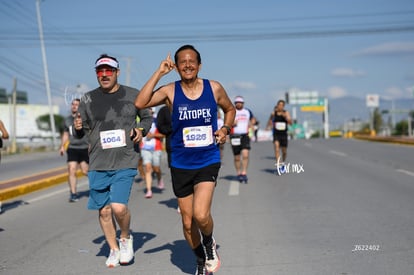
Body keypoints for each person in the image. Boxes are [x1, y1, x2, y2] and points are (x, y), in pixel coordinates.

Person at [135, 44, 236, 275]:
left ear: (199, 65)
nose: (188, 65)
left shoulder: (214, 88)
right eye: (183, 62)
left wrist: (225, 129)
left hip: (207, 158)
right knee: (188, 222)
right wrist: (160, 72)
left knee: (201, 214)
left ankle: (209, 243)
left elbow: (229, 109)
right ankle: (200, 259)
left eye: (192, 61)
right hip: (180, 162)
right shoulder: (170, 91)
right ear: (177, 67)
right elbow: (140, 103)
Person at [73, 54, 152, 268]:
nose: (104, 75)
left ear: (117, 72)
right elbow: (80, 131)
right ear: (96, 74)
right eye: (100, 71)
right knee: (104, 210)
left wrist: (141, 130)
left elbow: (147, 116)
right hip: (98, 162)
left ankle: (125, 238)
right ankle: (113, 249)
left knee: (118, 207)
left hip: (125, 159)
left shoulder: (133, 95)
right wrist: (77, 128)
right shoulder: (87, 99)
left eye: (109, 70)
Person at [59, 98, 89, 202]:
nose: (74, 106)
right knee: (71, 169)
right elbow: (66, 134)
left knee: (85, 171)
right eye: (73, 104)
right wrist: (62, 146)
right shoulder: (67, 120)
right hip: (72, 148)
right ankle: (73, 193)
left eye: (77, 104)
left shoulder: (86, 118)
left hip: (85, 148)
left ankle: (98, 186)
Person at [230, 96, 256, 183]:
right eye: (236, 102)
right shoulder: (232, 111)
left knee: (245, 154)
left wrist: (252, 124)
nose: (238, 104)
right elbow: (226, 122)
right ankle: (238, 173)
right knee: (237, 157)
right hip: (235, 136)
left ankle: (244, 172)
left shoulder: (247, 111)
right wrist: (232, 123)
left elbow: (253, 119)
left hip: (245, 135)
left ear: (243, 103)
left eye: (240, 102)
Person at [140, 107, 165, 198]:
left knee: (156, 168)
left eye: (150, 109)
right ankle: (149, 190)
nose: (148, 111)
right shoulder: (141, 121)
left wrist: (153, 135)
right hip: (145, 148)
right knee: (147, 168)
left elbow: (164, 134)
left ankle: (159, 178)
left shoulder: (157, 121)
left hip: (156, 147)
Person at [266, 99, 292, 169]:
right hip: (276, 133)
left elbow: (290, 123)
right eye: (279, 105)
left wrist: (285, 117)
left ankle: (283, 162)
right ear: (277, 105)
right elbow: (270, 121)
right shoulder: (274, 113)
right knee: (276, 148)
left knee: (284, 151)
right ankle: (279, 165)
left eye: (281, 105)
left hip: (283, 134)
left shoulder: (286, 113)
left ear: (283, 106)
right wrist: (268, 125)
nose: (280, 106)